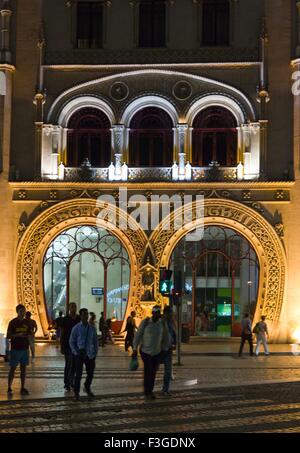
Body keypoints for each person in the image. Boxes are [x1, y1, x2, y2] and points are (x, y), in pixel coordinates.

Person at [132, 305, 169, 400]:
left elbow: (166, 336)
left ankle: (150, 390)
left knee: (153, 372)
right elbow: (138, 335)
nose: (157, 314)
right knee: (148, 371)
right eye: (156, 312)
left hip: (157, 352)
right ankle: (147, 391)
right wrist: (135, 349)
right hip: (145, 352)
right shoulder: (146, 322)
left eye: (158, 312)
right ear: (152, 313)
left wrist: (165, 348)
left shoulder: (162, 324)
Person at [69, 308, 99, 401]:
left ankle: (87, 386)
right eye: (84, 314)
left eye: (87, 314)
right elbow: (71, 341)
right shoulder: (76, 328)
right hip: (80, 354)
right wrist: (75, 352)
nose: (86, 316)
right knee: (78, 374)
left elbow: (95, 341)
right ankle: (76, 393)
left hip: (90, 354)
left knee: (90, 373)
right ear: (80, 316)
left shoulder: (92, 328)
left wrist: (95, 353)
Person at [6, 304, 32, 396]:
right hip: (15, 348)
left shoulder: (27, 322)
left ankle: (22, 387)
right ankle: (9, 387)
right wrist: (17, 335)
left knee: (23, 368)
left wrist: (32, 349)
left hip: (25, 348)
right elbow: (9, 336)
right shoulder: (13, 322)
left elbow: (30, 335)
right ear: (17, 312)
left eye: (24, 311)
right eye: (21, 311)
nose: (23, 313)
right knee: (13, 368)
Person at [60, 302, 80, 391]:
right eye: (72, 307)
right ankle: (67, 382)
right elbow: (62, 333)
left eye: (74, 307)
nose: (73, 308)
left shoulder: (79, 318)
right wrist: (62, 346)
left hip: (77, 345)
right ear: (69, 308)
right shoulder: (65, 319)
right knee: (68, 364)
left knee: (75, 365)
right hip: (68, 345)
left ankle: (72, 381)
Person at [160, 306, 176, 397]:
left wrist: (174, 343)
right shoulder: (161, 321)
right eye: (170, 312)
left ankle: (165, 389)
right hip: (160, 349)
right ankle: (149, 389)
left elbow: (173, 333)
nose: (171, 314)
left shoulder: (170, 322)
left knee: (168, 370)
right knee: (153, 370)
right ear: (166, 313)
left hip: (168, 348)